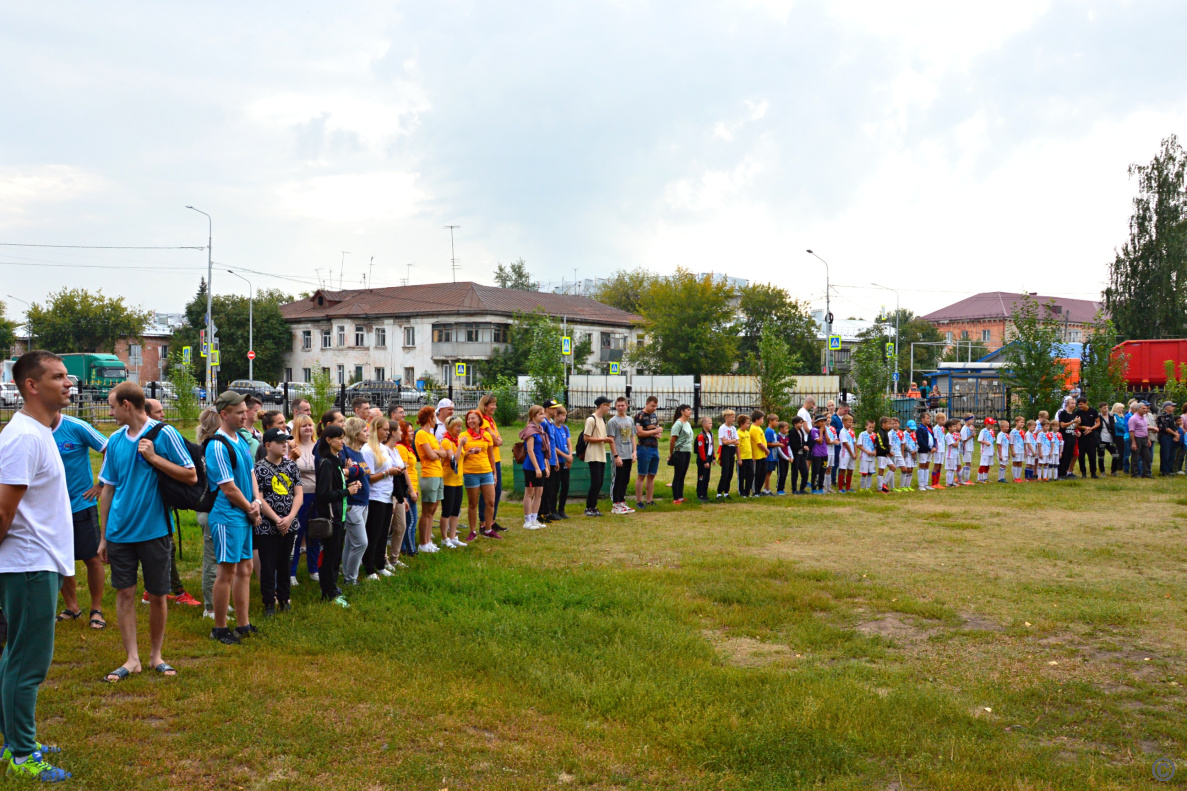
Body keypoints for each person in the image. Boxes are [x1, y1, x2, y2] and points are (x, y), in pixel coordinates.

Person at [0, 351, 75, 781]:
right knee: (29, 663)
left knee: (16, 658)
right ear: (31, 385)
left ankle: (13, 739)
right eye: (59, 377)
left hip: (37, 561)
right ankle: (23, 753)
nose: (70, 384)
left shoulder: (40, 429)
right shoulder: (25, 438)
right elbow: (3, 511)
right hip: (28, 562)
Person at [98, 381, 196, 678]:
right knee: (124, 592)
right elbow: (108, 490)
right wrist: (103, 537)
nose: (111, 412)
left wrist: (154, 458)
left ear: (127, 405)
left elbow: (190, 475)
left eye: (113, 406)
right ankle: (132, 659)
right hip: (119, 532)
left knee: (157, 594)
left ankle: (156, 656)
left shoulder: (164, 433)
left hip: (154, 530)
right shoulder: (114, 440)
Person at [205, 391, 262, 645]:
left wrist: (257, 502)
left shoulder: (239, 439)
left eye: (246, 410)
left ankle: (243, 623)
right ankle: (219, 628)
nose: (246, 415)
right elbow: (227, 488)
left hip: (245, 512)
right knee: (226, 571)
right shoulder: (218, 444)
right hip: (228, 516)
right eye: (240, 412)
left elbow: (251, 476)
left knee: (245, 569)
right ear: (224, 414)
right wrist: (250, 508)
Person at [50, 404, 109, 629]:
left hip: (80, 505)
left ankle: (97, 610)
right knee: (59, 560)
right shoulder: (36, 431)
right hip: (51, 509)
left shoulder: (76, 426)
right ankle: (72, 608)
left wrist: (101, 484)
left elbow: (109, 448)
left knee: (92, 558)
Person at [140, 399, 199, 607]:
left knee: (165, 548)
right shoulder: (146, 439)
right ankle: (171, 591)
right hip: (151, 507)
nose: (163, 415)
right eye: (159, 412)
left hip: (163, 501)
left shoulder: (162, 436)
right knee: (164, 548)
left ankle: (155, 589)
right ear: (146, 414)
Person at [254, 428, 301, 615]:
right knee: (268, 564)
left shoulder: (291, 466)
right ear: (267, 445)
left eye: (286, 441)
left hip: (290, 523)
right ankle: (269, 602)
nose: (285, 445)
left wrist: (289, 519)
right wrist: (277, 520)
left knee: (285, 563)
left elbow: (298, 495)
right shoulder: (259, 468)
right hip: (267, 525)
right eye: (280, 441)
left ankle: (284, 598)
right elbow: (259, 497)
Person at [313, 425, 357, 606]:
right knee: (330, 557)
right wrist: (347, 491)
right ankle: (328, 593)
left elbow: (335, 487)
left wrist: (346, 487)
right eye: (339, 438)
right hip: (331, 517)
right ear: (328, 440)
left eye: (343, 438)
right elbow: (323, 494)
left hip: (339, 515)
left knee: (335, 556)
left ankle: (333, 589)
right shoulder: (326, 463)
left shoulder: (336, 460)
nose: (342, 442)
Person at [361, 417, 399, 575]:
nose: (387, 432)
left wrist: (395, 471)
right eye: (384, 429)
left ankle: (380, 564)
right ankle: (369, 568)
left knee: (384, 533)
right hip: (375, 497)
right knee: (373, 533)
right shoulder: (367, 449)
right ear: (375, 430)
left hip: (387, 495)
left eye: (388, 429)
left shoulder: (383, 448)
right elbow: (368, 477)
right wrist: (387, 472)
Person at [194, 409, 223, 618]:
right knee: (212, 558)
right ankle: (211, 607)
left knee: (221, 559)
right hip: (211, 509)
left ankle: (219, 601)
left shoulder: (205, 449)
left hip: (215, 508)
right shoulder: (207, 451)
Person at [288, 414, 319, 585]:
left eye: (310, 425)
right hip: (300, 496)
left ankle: (314, 569)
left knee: (315, 532)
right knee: (297, 535)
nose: (308, 428)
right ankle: (291, 572)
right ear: (297, 429)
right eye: (304, 426)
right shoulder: (293, 447)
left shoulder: (318, 446)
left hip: (317, 495)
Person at [458, 410, 498, 540]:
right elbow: (459, 458)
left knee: (490, 502)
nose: (470, 421)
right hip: (471, 473)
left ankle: (488, 529)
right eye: (468, 419)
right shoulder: (463, 436)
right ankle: (472, 531)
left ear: (480, 420)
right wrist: (468, 452)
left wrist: (494, 473)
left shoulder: (486, 435)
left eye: (473, 418)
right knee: (473, 503)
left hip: (486, 472)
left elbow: (491, 456)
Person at [340, 417, 371, 582]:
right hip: (352, 503)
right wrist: (351, 470)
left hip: (363, 502)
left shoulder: (359, 451)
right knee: (361, 543)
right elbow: (343, 472)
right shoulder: (346, 451)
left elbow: (361, 472)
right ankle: (351, 578)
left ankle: (346, 573)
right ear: (355, 432)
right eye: (364, 431)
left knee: (351, 542)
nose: (367, 433)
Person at [415, 407, 449, 550]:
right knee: (427, 510)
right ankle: (423, 543)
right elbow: (432, 455)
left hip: (438, 473)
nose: (436, 420)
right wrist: (437, 452)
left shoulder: (432, 435)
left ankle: (428, 541)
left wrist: (438, 452)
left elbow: (444, 454)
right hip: (429, 475)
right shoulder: (422, 434)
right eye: (434, 417)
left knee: (434, 508)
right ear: (430, 418)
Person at [383, 420, 412, 567]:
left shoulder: (396, 450)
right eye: (400, 430)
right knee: (386, 527)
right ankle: (384, 559)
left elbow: (402, 472)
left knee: (401, 526)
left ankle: (394, 558)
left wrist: (405, 496)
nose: (402, 433)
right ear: (393, 433)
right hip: (388, 492)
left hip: (398, 493)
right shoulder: (384, 450)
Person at [476, 394, 505, 531]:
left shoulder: (491, 421)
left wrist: (497, 440)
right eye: (492, 404)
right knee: (488, 492)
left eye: (495, 404)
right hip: (487, 460)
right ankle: (483, 522)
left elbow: (499, 439)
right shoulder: (484, 421)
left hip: (496, 458)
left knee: (497, 491)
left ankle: (491, 520)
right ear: (485, 406)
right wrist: (497, 440)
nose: (495, 407)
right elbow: (495, 441)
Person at [520, 406, 551, 527]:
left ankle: (534, 518)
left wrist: (545, 466)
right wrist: (537, 468)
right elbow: (530, 451)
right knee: (529, 492)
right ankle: (527, 520)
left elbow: (543, 450)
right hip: (531, 467)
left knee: (539, 493)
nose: (543, 416)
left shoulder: (541, 429)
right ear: (533, 416)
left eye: (543, 413)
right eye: (540, 414)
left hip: (541, 466)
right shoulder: (530, 430)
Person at [582, 396, 613, 517]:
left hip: (601, 454)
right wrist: (602, 439)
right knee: (595, 482)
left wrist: (605, 440)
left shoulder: (603, 420)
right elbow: (586, 437)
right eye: (607, 405)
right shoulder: (591, 419)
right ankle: (589, 507)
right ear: (601, 405)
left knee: (599, 482)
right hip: (593, 454)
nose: (609, 408)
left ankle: (593, 506)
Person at [438, 417, 466, 546]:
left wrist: (468, 452)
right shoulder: (446, 442)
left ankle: (453, 536)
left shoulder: (457, 440)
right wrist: (460, 446)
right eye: (457, 426)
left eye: (461, 426)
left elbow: (461, 458)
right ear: (449, 428)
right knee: (447, 511)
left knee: (455, 510)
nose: (460, 429)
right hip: (448, 480)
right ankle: (445, 538)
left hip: (458, 480)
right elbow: (453, 460)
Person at [606, 397, 636, 513]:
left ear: (627, 406)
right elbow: (611, 439)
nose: (620, 408)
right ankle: (615, 503)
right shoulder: (613, 421)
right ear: (615, 406)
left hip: (628, 453)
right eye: (618, 405)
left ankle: (622, 501)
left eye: (622, 405)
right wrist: (616, 455)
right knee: (617, 479)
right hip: (619, 454)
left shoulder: (630, 420)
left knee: (625, 479)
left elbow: (633, 436)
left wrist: (634, 451)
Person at [395, 420, 420, 556]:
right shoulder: (401, 449)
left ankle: (404, 548)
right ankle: (411, 551)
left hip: (412, 487)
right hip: (407, 489)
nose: (412, 433)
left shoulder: (408, 448)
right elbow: (404, 471)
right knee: (411, 521)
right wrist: (410, 490)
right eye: (409, 431)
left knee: (410, 521)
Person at [633, 396, 662, 508]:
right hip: (644, 447)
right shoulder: (639, 415)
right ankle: (639, 501)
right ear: (647, 403)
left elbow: (657, 430)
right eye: (652, 406)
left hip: (654, 447)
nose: (654, 408)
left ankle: (649, 500)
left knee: (651, 475)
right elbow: (639, 433)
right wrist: (654, 431)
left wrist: (658, 433)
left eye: (656, 406)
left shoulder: (654, 416)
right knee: (642, 475)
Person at [537, 400, 561, 523]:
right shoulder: (544, 423)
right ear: (546, 409)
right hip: (546, 459)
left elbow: (552, 442)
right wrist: (546, 460)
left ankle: (547, 511)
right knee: (545, 488)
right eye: (553, 408)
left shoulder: (550, 422)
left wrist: (555, 458)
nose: (556, 410)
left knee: (551, 487)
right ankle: (541, 512)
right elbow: (544, 443)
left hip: (552, 458)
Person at [668, 404, 694, 504]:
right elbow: (672, 440)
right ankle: (675, 498)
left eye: (690, 410)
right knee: (678, 475)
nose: (690, 411)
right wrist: (671, 453)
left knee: (683, 474)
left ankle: (680, 496)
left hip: (687, 451)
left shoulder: (687, 423)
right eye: (688, 410)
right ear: (682, 411)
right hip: (680, 451)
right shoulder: (678, 424)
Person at [551, 406, 573, 519]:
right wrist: (565, 456)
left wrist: (570, 456)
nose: (564, 417)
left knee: (565, 485)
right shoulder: (552, 428)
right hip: (557, 461)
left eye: (565, 415)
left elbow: (569, 443)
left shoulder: (565, 428)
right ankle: (553, 510)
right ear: (556, 415)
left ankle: (562, 509)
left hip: (565, 461)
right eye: (562, 415)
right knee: (555, 486)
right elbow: (553, 446)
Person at [1073, 398, 1102, 479]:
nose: (1080, 406)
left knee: (1092, 455)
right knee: (1081, 456)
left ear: (1086, 403)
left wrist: (1090, 429)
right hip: (1081, 436)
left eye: (1081, 404)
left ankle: (1093, 473)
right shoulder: (1077, 413)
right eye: (1078, 404)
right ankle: (1083, 473)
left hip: (1091, 436)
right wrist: (1083, 427)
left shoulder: (1093, 411)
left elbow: (1098, 422)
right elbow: (1075, 425)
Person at [715, 410, 738, 499]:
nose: (733, 419)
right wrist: (732, 441)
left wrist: (730, 441)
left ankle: (726, 492)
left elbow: (737, 441)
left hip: (732, 449)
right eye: (731, 417)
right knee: (725, 471)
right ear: (726, 417)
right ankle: (719, 492)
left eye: (734, 417)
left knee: (730, 472)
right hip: (725, 450)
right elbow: (724, 442)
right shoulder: (722, 428)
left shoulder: (733, 428)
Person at [1055, 397, 1079, 479]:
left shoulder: (1074, 414)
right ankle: (1059, 473)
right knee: (1063, 455)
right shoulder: (1063, 413)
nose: (1073, 405)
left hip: (1072, 436)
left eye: (1074, 403)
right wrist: (1073, 421)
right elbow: (1062, 425)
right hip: (1064, 437)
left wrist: (1077, 429)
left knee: (1069, 455)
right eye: (1072, 403)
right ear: (1067, 404)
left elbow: (1074, 426)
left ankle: (1065, 473)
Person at [1156, 401, 1181, 476]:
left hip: (1172, 436)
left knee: (1172, 454)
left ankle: (1170, 470)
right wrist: (1175, 434)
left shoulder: (1171, 416)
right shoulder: (1162, 416)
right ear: (1167, 407)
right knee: (1165, 454)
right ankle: (1164, 471)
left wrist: (1176, 434)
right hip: (1165, 436)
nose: (1174, 407)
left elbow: (1174, 426)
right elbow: (1165, 427)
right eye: (1172, 406)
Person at [694, 416, 715, 502]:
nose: (711, 425)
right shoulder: (701, 436)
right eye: (709, 423)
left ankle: (705, 494)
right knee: (701, 477)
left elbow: (712, 446)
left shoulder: (711, 434)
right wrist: (704, 461)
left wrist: (713, 457)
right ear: (704, 424)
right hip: (703, 460)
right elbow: (701, 449)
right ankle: (700, 494)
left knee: (707, 477)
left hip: (709, 458)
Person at [748, 411, 768, 496]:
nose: (763, 420)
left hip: (762, 455)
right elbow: (759, 443)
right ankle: (755, 491)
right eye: (762, 419)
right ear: (756, 419)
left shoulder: (759, 428)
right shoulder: (754, 429)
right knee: (756, 474)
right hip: (756, 455)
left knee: (762, 473)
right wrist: (767, 450)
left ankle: (759, 490)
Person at [809, 414, 829, 494]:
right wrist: (821, 431)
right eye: (821, 421)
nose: (823, 423)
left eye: (824, 421)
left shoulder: (824, 429)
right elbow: (820, 441)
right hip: (816, 454)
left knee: (823, 470)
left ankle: (821, 487)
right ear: (817, 422)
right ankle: (814, 487)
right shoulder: (814, 430)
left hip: (824, 453)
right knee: (815, 471)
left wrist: (825, 431)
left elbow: (827, 441)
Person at [789, 416, 810, 494]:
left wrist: (805, 445)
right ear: (795, 423)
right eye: (800, 423)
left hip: (802, 454)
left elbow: (803, 441)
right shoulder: (792, 432)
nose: (801, 425)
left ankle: (802, 488)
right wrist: (802, 447)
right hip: (796, 454)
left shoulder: (801, 431)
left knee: (805, 471)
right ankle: (794, 489)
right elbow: (793, 444)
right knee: (795, 472)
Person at [761, 413, 780, 496]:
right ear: (770, 421)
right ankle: (766, 489)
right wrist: (778, 444)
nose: (777, 423)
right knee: (767, 473)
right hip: (770, 456)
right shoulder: (768, 431)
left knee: (770, 472)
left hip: (774, 455)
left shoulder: (773, 431)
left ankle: (767, 488)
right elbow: (768, 443)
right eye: (775, 421)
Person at [915, 412, 934, 491]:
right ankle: (921, 484)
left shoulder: (929, 428)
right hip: (924, 450)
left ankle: (926, 483)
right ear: (922, 419)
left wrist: (934, 446)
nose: (928, 420)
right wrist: (929, 448)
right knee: (922, 466)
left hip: (930, 450)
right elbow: (921, 441)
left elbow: (932, 438)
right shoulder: (920, 429)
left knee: (927, 466)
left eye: (929, 418)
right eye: (927, 418)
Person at [735, 414, 753, 497]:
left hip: (749, 457)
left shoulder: (747, 433)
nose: (748, 425)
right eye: (747, 423)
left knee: (750, 475)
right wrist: (739, 459)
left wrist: (752, 456)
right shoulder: (738, 433)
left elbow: (749, 445)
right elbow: (737, 447)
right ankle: (741, 491)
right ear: (741, 424)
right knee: (742, 476)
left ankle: (747, 491)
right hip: (742, 458)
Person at [857, 418, 877, 491]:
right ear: (866, 426)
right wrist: (866, 451)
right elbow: (859, 445)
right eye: (870, 427)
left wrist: (875, 451)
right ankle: (862, 488)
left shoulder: (875, 435)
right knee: (864, 473)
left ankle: (868, 488)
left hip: (872, 457)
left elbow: (876, 445)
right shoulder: (862, 434)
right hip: (864, 457)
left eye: (873, 427)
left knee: (870, 473)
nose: (871, 429)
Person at [838, 414, 856, 493]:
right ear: (844, 422)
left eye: (851, 422)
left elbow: (854, 442)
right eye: (849, 422)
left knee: (850, 470)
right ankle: (840, 488)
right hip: (845, 454)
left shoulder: (852, 432)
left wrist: (855, 453)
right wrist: (851, 453)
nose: (851, 424)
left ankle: (848, 487)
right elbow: (846, 444)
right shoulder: (842, 432)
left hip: (852, 454)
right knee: (843, 470)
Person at [1112, 402, 1129, 475]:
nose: (1121, 409)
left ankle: (1122, 464)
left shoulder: (1122, 416)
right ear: (1116, 408)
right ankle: (1119, 465)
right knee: (1119, 451)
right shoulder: (1114, 416)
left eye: (1122, 408)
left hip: (1123, 435)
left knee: (1123, 450)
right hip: (1118, 435)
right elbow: (1117, 425)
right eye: (1120, 408)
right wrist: (1125, 429)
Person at [977, 418, 996, 484]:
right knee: (983, 464)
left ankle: (985, 478)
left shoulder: (992, 431)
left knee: (988, 464)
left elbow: (993, 441)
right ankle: (979, 478)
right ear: (987, 424)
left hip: (990, 450)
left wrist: (993, 450)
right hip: (985, 451)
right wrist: (985, 442)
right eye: (991, 424)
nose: (993, 425)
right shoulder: (983, 431)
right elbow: (979, 440)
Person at [775, 421, 791, 495]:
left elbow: (788, 448)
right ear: (781, 429)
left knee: (785, 473)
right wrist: (786, 457)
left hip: (787, 458)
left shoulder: (787, 437)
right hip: (780, 459)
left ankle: (782, 488)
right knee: (781, 473)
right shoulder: (778, 437)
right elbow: (779, 449)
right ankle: (779, 489)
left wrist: (791, 457)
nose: (787, 430)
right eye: (786, 428)